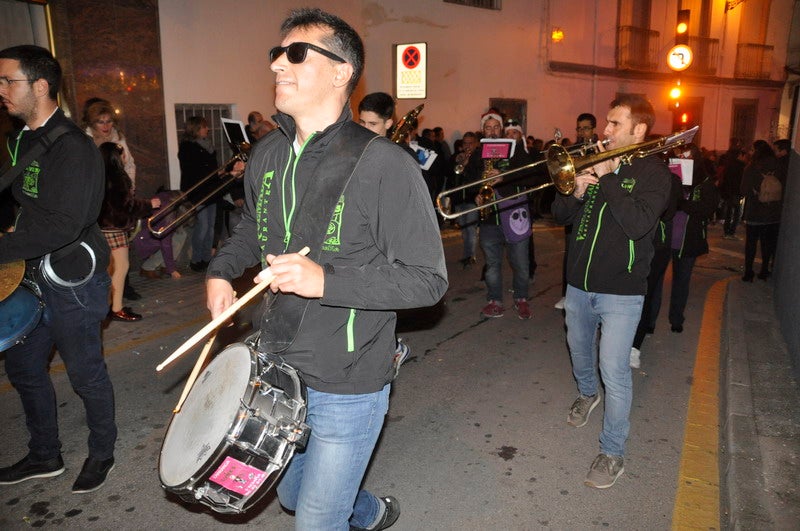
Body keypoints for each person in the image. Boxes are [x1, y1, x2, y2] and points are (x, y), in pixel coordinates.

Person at [205, 8, 447, 530]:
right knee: (292, 493)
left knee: (314, 518)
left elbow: (428, 280)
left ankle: (341, 509)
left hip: (349, 375)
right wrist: (222, 270)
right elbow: (252, 226)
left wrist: (324, 282)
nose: (278, 66)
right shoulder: (268, 153)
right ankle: (368, 510)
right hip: (278, 364)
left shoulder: (385, 163)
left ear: (342, 72)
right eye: (277, 55)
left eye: (296, 55)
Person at [0, 44, 117, 493]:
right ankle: (44, 455)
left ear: (41, 86)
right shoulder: (18, 141)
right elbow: (25, 208)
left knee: (86, 374)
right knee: (25, 369)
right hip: (27, 277)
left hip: (72, 281)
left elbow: (64, 225)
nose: (2, 90)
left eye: (9, 80)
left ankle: (102, 452)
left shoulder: (75, 147)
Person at [552, 94, 672, 488]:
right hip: (578, 284)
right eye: (607, 122)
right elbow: (559, 216)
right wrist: (575, 192)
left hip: (622, 290)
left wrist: (607, 177)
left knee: (615, 370)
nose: (604, 131)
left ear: (639, 129)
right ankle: (587, 394)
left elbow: (639, 224)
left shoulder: (655, 174)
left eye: (614, 124)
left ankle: (612, 452)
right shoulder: (595, 163)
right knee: (579, 350)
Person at [464, 111, 533, 319]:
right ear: (482, 130)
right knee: (492, 265)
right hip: (489, 217)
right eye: (488, 127)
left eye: (496, 127)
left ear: (501, 129)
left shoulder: (516, 150)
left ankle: (521, 299)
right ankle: (495, 300)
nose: (492, 131)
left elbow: (530, 175)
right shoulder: (478, 153)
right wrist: (476, 193)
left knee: (521, 264)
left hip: (513, 214)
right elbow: (468, 180)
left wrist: (504, 176)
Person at [83, 98, 141, 302]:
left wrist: (129, 187)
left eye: (109, 121)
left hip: (117, 200)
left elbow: (130, 165)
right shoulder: (86, 141)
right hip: (99, 203)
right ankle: (107, 298)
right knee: (106, 255)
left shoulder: (119, 138)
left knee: (122, 253)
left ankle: (121, 291)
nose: (106, 126)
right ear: (92, 123)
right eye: (101, 122)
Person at [98, 142, 160, 321]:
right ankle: (116, 308)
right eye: (122, 154)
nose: (125, 157)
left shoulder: (98, 174)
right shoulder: (117, 177)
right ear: (116, 157)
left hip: (101, 228)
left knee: (109, 269)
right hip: (114, 228)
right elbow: (126, 206)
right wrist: (150, 204)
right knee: (121, 266)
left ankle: (109, 305)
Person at [666, 144, 719, 333]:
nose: (683, 159)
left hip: (688, 240)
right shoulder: (669, 176)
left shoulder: (704, 182)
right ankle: (648, 321)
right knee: (653, 282)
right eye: (680, 155)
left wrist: (685, 205)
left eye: (687, 156)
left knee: (682, 280)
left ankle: (676, 318)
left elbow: (708, 208)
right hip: (665, 236)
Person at [554, 112, 599, 311]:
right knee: (571, 252)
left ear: (594, 129)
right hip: (574, 203)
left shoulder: (601, 148)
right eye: (579, 128)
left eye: (586, 128)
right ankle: (568, 294)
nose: (582, 132)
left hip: (593, 203)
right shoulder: (571, 150)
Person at [178, 115, 223, 272]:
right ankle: (196, 259)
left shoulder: (208, 145)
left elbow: (211, 166)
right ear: (195, 129)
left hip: (211, 190)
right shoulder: (187, 147)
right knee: (202, 226)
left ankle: (206, 258)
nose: (207, 129)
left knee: (210, 227)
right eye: (204, 127)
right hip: (198, 191)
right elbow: (193, 170)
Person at [740, 140, 783, 281]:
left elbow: (744, 190)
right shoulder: (779, 165)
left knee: (751, 244)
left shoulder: (752, 167)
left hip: (755, 213)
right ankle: (764, 270)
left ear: (757, 151)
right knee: (767, 243)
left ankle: (748, 272)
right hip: (773, 213)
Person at [449, 131, 480, 268]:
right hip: (459, 200)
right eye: (465, 143)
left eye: (470, 143)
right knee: (464, 228)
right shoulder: (457, 157)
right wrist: (455, 161)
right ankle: (467, 254)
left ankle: (470, 256)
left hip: (471, 198)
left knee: (470, 229)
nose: (467, 146)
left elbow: (477, 178)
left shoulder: (478, 158)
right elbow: (450, 174)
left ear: (475, 144)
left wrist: (468, 164)